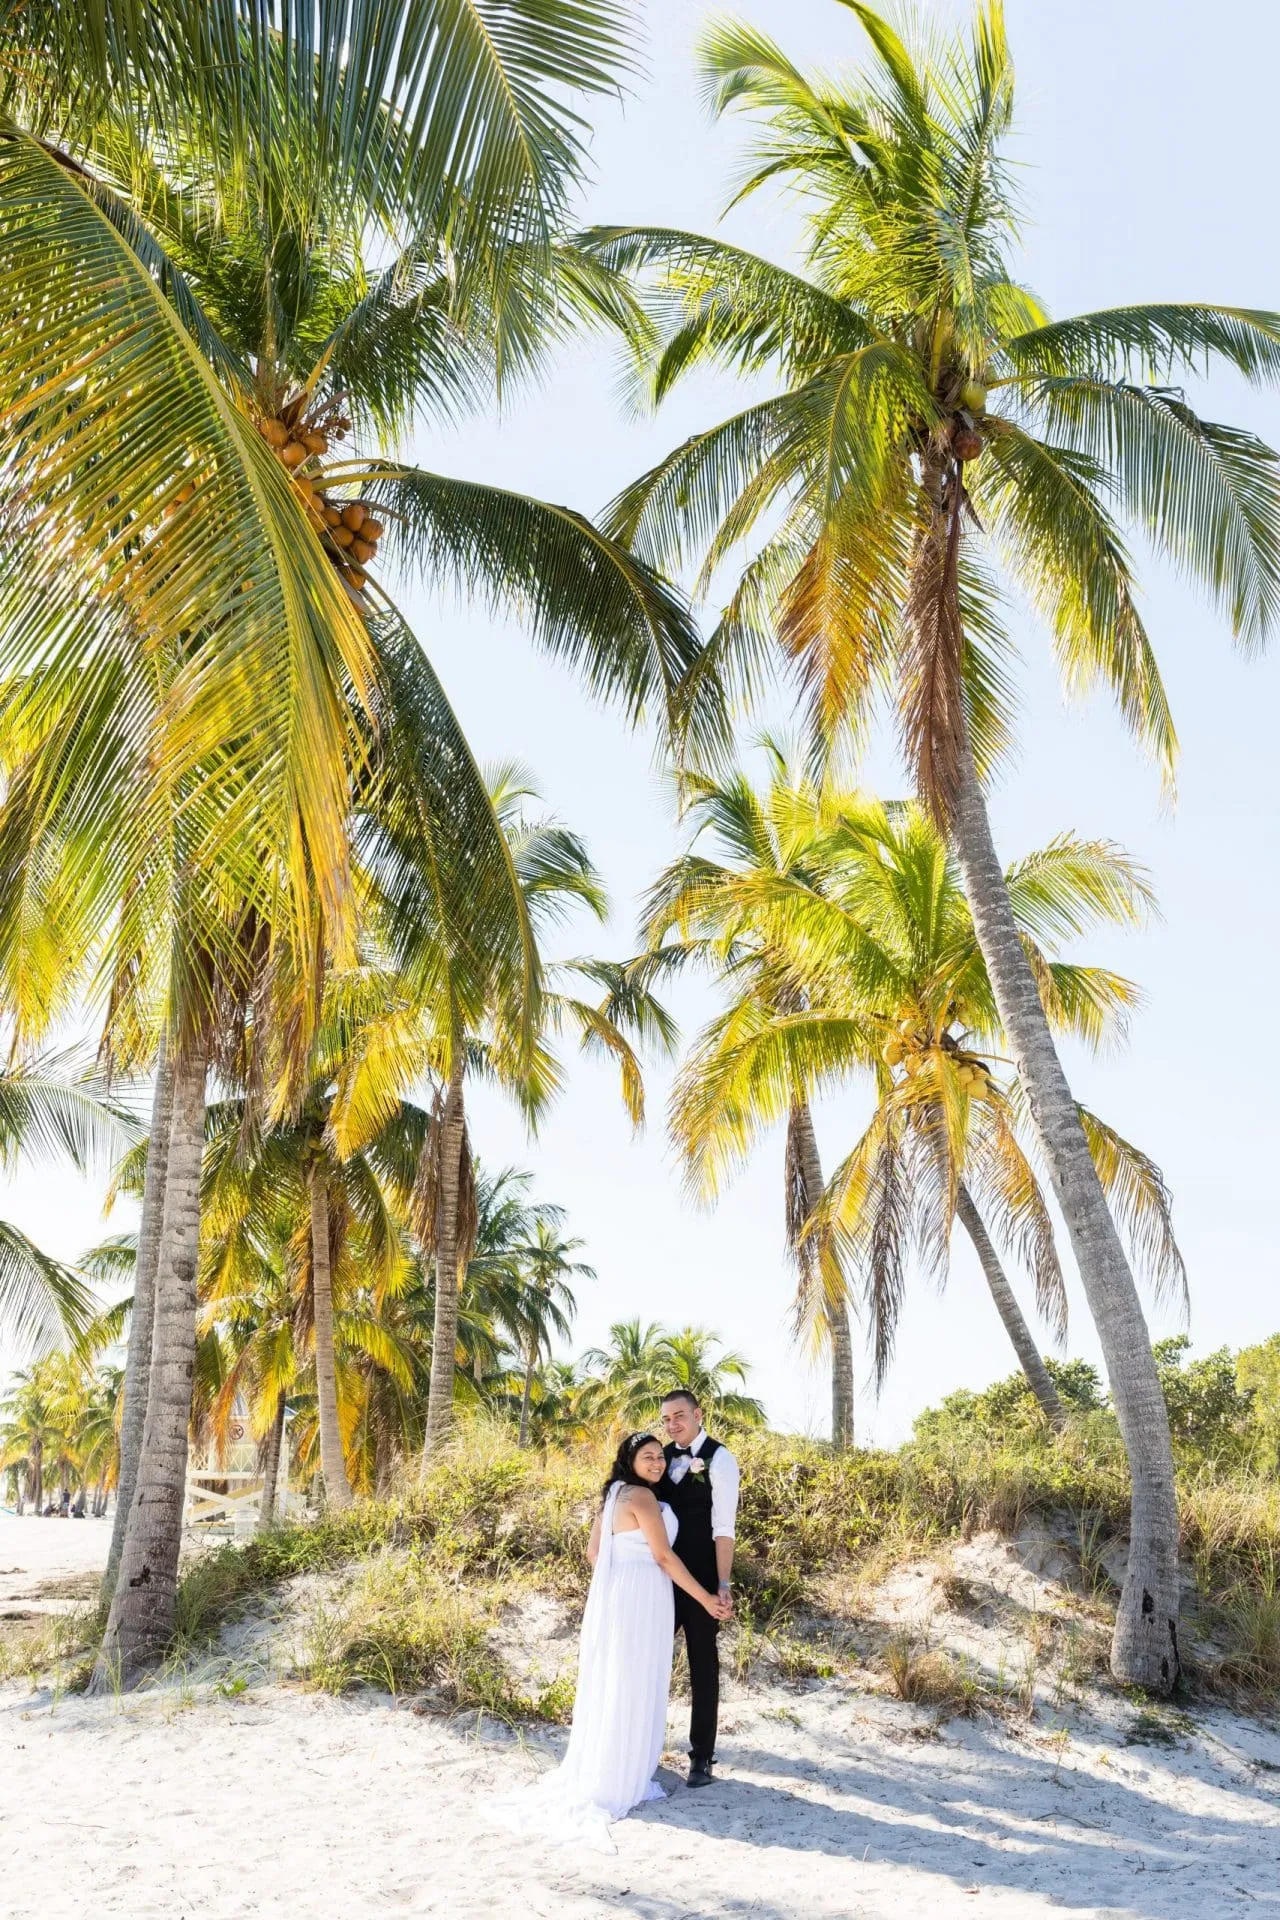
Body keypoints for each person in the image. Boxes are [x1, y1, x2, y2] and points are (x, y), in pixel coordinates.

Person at [490, 1430, 729, 1852]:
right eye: (648, 1457)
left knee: (620, 1675)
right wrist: (706, 1599)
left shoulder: (614, 1492)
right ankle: (626, 1771)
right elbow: (664, 1556)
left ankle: (614, 1760)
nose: (657, 1463)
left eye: (660, 1456)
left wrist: (621, 1580)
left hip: (622, 1594)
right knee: (637, 1677)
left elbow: (594, 1555)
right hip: (645, 1594)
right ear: (631, 1461)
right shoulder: (642, 1497)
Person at [658, 1389, 741, 1788]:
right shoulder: (659, 1456)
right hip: (660, 1577)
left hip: (703, 1578)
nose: (672, 1424)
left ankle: (701, 1757)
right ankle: (643, 1748)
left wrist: (722, 1583)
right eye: (666, 1419)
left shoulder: (720, 1459)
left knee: (702, 1665)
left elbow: (724, 1528)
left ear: (697, 1414)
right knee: (652, 1659)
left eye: (679, 1416)